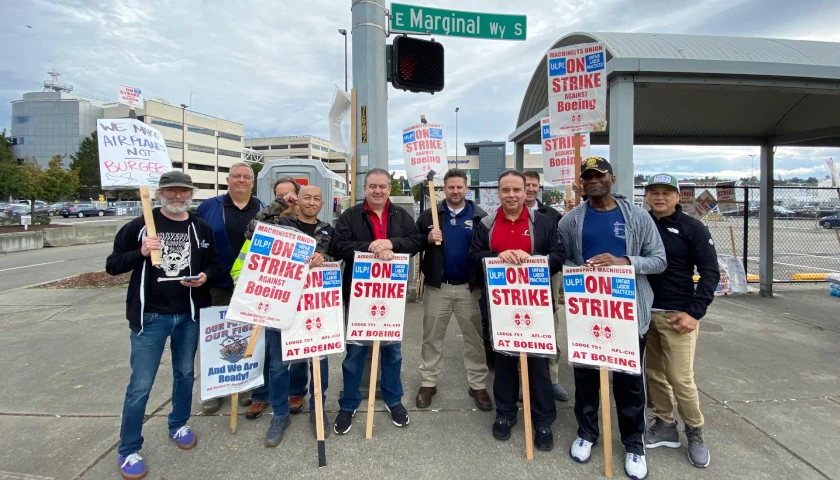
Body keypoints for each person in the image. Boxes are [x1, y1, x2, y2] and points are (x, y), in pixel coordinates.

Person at [106, 171, 219, 480]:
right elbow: (112, 265)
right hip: (151, 317)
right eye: (171, 191)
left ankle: (178, 423)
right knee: (141, 384)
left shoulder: (200, 227)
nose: (177, 196)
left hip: (188, 316)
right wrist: (140, 252)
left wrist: (205, 277)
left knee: (184, 374)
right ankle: (129, 449)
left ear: (191, 194)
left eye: (183, 191)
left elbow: (214, 263)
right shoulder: (141, 225)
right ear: (159, 194)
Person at [558, 157, 666, 480]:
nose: (592, 180)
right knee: (586, 378)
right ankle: (587, 433)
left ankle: (634, 444)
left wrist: (624, 262)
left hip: (628, 315)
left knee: (630, 383)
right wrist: (577, 272)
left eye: (598, 175)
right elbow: (563, 259)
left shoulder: (637, 217)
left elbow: (659, 260)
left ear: (612, 179)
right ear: (581, 182)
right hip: (588, 315)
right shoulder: (570, 221)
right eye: (587, 176)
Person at [231, 183, 334, 446]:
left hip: (314, 307)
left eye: (317, 198)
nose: (311, 202)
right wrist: (279, 202)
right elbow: (251, 230)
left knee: (318, 362)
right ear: (297, 200)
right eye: (306, 197)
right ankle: (280, 414)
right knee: (278, 365)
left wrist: (323, 255)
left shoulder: (328, 231)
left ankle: (318, 410)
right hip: (280, 305)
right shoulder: (280, 226)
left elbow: (334, 253)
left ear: (322, 204)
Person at [470, 170, 566, 452]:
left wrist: (535, 260)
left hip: (535, 306)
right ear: (498, 193)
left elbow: (559, 256)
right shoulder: (486, 224)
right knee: (504, 362)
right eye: (505, 190)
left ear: (526, 192)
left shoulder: (545, 223)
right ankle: (506, 413)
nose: (511, 195)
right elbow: (474, 256)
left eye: (516, 190)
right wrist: (496, 256)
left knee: (538, 364)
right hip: (499, 305)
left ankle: (543, 419)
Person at [330, 167, 422, 434]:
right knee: (355, 353)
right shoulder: (350, 215)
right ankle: (348, 404)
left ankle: (394, 400)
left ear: (389, 189)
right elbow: (338, 246)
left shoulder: (401, 216)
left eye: (383, 186)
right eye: (373, 186)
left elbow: (415, 241)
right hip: (358, 296)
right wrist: (370, 247)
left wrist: (391, 243)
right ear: (365, 189)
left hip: (390, 297)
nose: (378, 191)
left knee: (392, 352)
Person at [643, 173, 719, 468]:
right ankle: (665, 424)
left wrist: (695, 312)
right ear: (646, 195)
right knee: (655, 375)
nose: (660, 197)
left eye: (666, 192)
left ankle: (695, 431)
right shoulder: (642, 224)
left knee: (680, 378)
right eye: (654, 192)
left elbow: (710, 272)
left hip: (678, 316)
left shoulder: (692, 228)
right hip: (646, 312)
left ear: (677, 197)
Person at [414, 169, 491, 411]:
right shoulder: (431, 215)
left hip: (470, 289)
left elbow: (487, 250)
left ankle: (477, 384)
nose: (455, 191)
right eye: (450, 187)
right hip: (439, 288)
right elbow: (413, 242)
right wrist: (426, 237)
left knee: (474, 340)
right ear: (443, 189)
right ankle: (428, 382)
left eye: (459, 187)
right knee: (432, 338)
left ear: (466, 188)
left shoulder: (481, 217)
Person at [196, 162, 266, 414]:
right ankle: (213, 390)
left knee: (248, 335)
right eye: (236, 176)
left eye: (246, 176)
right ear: (228, 180)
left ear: (252, 182)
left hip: (252, 285)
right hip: (218, 283)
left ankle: (245, 384)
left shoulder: (263, 208)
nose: (241, 180)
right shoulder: (208, 207)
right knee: (215, 335)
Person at [241, 177, 311, 420]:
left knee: (299, 348)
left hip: (300, 296)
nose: (286, 200)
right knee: (268, 350)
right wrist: (278, 205)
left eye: (290, 195)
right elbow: (249, 231)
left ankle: (296, 392)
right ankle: (261, 395)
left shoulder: (306, 220)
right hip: (272, 294)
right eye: (279, 196)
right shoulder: (272, 221)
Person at [523, 170, 570, 403]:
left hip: (546, 277)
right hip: (516, 281)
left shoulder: (551, 215)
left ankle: (551, 379)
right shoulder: (506, 214)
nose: (530, 189)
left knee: (548, 327)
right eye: (526, 185)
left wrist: (541, 266)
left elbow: (560, 250)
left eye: (534, 185)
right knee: (519, 326)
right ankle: (522, 381)